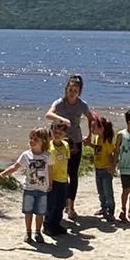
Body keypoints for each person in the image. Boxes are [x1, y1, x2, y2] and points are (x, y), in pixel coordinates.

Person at [45, 74, 90, 220]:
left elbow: (91, 118)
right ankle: (59, 203)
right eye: (70, 89)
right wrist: (62, 119)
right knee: (58, 173)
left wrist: (89, 136)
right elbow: (48, 114)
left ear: (79, 92)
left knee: (73, 174)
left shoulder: (82, 104)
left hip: (75, 142)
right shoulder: (59, 103)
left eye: (75, 90)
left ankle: (70, 206)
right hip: (59, 142)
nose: (72, 93)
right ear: (66, 89)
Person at [0, 128, 52, 244]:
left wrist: (50, 183)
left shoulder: (47, 155)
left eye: (35, 139)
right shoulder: (26, 155)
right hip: (29, 189)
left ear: (43, 141)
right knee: (28, 212)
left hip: (42, 190)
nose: (32, 141)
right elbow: (14, 167)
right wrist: (2, 174)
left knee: (40, 213)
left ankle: (38, 232)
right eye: (31, 138)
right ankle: (28, 232)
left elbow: (50, 170)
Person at [45, 120, 72, 237]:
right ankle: (48, 226)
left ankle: (57, 224)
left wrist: (67, 177)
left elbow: (66, 161)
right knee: (51, 204)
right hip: (52, 180)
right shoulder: (48, 147)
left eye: (61, 133)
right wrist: (48, 182)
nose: (57, 135)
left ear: (65, 135)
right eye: (55, 132)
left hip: (63, 179)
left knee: (61, 204)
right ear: (50, 131)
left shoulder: (66, 145)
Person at [89, 115, 118, 222]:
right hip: (98, 168)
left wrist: (112, 167)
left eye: (94, 127)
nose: (92, 130)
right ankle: (103, 208)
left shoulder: (107, 141)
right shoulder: (97, 138)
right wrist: (90, 145)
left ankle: (110, 212)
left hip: (106, 169)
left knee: (108, 192)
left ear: (102, 128)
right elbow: (97, 149)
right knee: (100, 191)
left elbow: (111, 155)